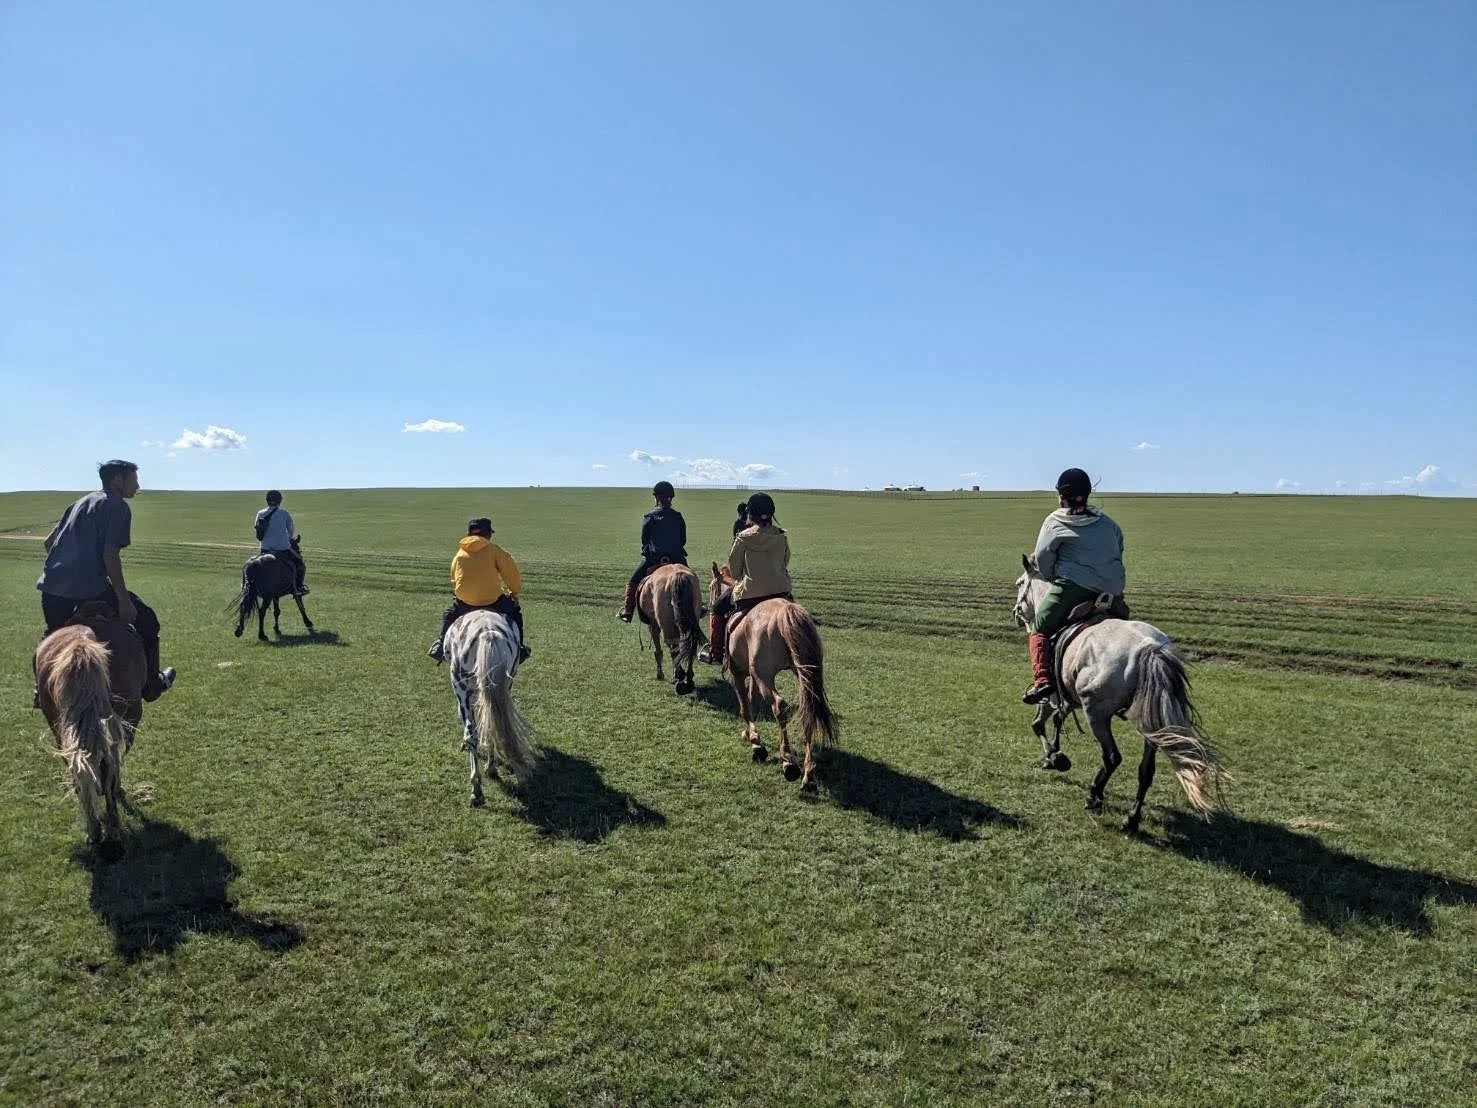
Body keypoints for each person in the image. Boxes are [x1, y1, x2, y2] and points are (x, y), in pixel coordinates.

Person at [36, 460, 176, 701]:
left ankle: (42, 691)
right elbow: (110, 555)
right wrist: (123, 600)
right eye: (133, 480)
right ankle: (151, 684)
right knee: (148, 622)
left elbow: (48, 543)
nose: (138, 486)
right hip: (89, 588)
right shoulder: (117, 507)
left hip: (51, 589)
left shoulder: (78, 503)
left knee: (54, 636)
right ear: (117, 481)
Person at [1022, 468, 1126, 704]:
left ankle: (1042, 681)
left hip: (1074, 586)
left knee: (1038, 627)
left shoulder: (1054, 521)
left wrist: (1051, 577)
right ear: (1087, 494)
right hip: (1112, 587)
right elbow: (1119, 548)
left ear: (1062, 496)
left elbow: (1044, 557)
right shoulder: (1108, 522)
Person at [699, 492, 792, 666]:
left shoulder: (742, 538)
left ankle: (716, 654)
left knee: (718, 608)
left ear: (751, 514)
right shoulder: (781, 536)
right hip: (781, 590)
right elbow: (785, 561)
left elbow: (734, 571)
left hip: (751, 593)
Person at [427, 517, 531, 664]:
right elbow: (511, 573)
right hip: (493, 601)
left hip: (465, 603)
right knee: (515, 613)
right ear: (488, 534)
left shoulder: (459, 554)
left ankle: (439, 644)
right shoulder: (494, 550)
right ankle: (520, 649)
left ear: (469, 534)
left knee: (449, 616)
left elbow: (454, 578)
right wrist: (514, 592)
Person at [617, 481, 688, 622]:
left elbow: (644, 539)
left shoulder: (649, 517)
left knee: (633, 581)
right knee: (690, 579)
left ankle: (628, 610)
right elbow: (683, 540)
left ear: (657, 498)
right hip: (676, 558)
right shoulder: (678, 517)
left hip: (653, 558)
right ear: (670, 498)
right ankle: (700, 606)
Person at [254, 490, 308, 596]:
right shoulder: (284, 513)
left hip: (265, 549)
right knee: (300, 564)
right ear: (279, 501)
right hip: (282, 548)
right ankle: (299, 587)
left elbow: (257, 529)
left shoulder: (260, 513)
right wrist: (286, 538)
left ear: (267, 500)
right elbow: (291, 530)